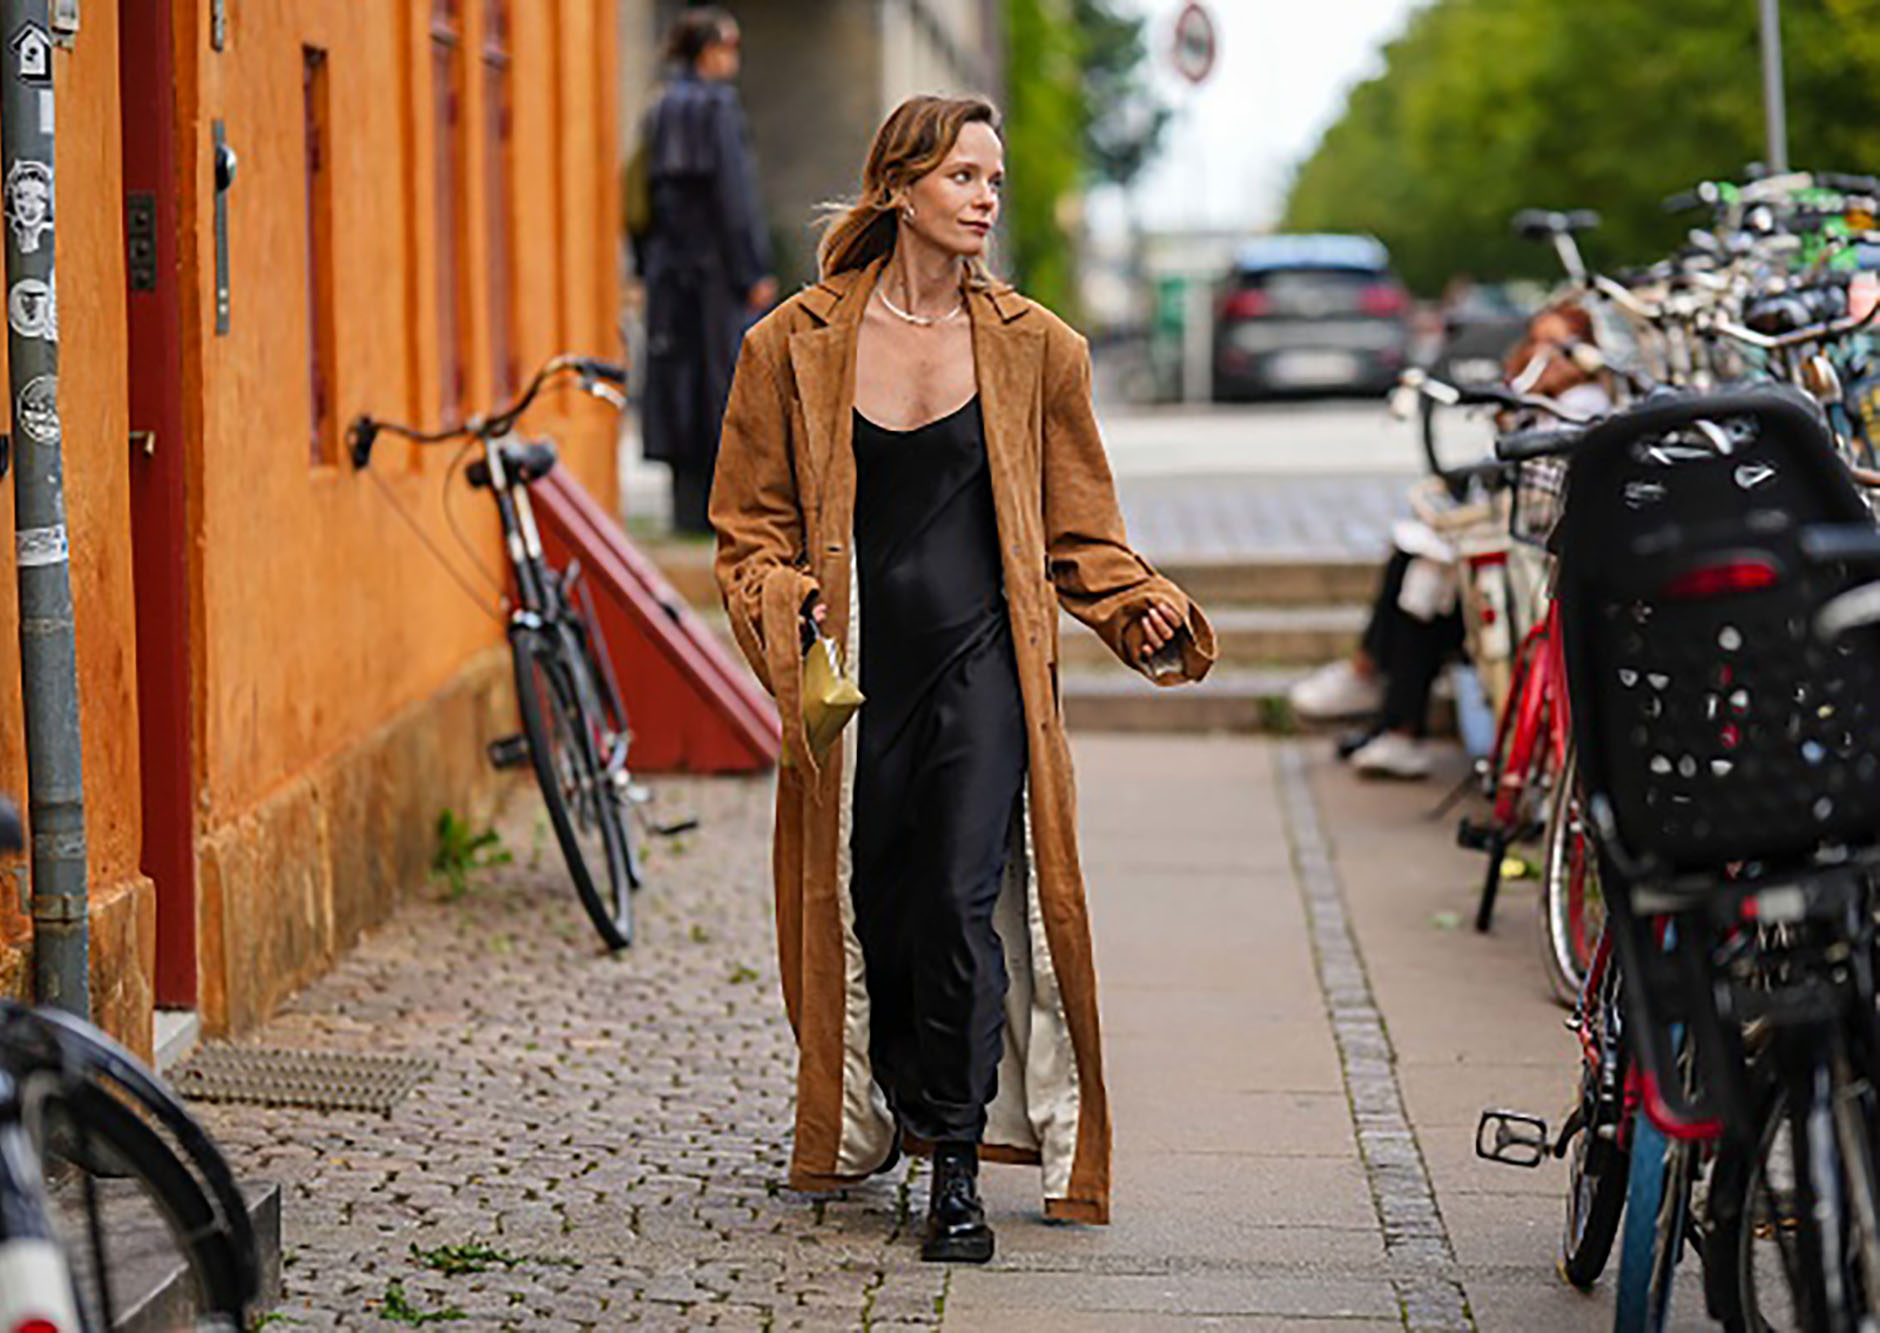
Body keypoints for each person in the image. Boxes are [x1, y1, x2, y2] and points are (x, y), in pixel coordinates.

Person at [709, 96, 1215, 1261]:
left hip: (987, 666)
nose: (986, 196)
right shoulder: (789, 344)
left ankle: (952, 1167)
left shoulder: (1039, 347)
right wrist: (785, 601)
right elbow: (746, 531)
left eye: (994, 177)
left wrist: (1134, 607)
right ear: (899, 186)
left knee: (954, 900)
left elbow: (1079, 532)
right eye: (964, 176)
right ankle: (893, 1109)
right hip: (858, 677)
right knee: (881, 913)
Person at [1291, 301, 1611, 778]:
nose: (1545, 356)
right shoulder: (1532, 405)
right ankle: (1389, 711)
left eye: (1560, 346)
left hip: (1537, 562)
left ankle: (1384, 699)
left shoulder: (1582, 411)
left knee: (1424, 570)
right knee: (1421, 562)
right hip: (1519, 556)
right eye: (1538, 342)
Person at [633, 6, 775, 534]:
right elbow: (735, 198)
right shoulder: (718, 108)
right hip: (715, 274)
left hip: (671, 273)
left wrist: (648, 265)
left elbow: (641, 194)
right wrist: (752, 269)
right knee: (724, 384)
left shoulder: (661, 107)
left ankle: (685, 510)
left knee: (676, 385)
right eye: (729, 46)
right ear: (709, 51)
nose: (734, 58)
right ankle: (723, 513)